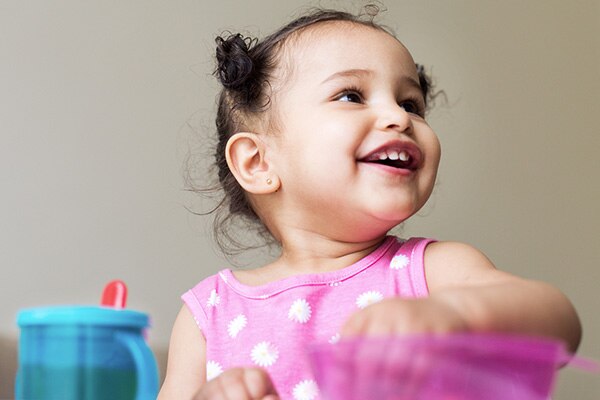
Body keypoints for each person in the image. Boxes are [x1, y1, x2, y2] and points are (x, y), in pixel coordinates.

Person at [158, 7, 581, 400]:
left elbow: (560, 323)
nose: (399, 118)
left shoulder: (433, 272)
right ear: (258, 161)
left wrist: (458, 314)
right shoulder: (208, 315)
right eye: (351, 96)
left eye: (410, 103)